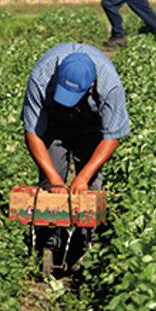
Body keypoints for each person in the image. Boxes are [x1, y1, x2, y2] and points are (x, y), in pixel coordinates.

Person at [22, 43, 130, 269]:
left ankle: (83, 240)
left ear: (91, 85)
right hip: (55, 123)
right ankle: (51, 239)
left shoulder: (110, 85)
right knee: (52, 185)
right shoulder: (42, 76)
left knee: (89, 187)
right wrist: (54, 179)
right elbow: (32, 132)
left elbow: (112, 136)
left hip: (92, 127)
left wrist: (83, 175)